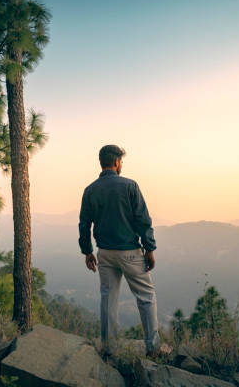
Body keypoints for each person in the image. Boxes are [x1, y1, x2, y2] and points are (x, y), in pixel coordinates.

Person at [78, 144, 160, 357]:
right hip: (130, 252)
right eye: (121, 161)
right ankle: (153, 348)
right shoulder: (130, 186)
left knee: (108, 299)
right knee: (146, 296)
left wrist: (87, 252)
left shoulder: (90, 190)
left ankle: (109, 349)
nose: (121, 164)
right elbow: (143, 220)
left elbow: (84, 224)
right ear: (116, 162)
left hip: (104, 253)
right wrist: (149, 248)